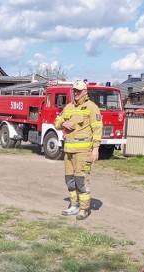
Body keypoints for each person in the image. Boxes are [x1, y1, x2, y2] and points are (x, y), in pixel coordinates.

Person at [54, 80, 102, 220]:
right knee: (69, 179)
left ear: (85, 92)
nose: (76, 93)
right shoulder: (68, 107)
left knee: (81, 180)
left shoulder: (91, 107)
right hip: (68, 151)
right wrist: (64, 123)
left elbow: (97, 129)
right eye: (74, 90)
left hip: (83, 152)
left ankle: (84, 208)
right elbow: (56, 121)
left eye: (79, 91)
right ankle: (73, 205)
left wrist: (96, 149)